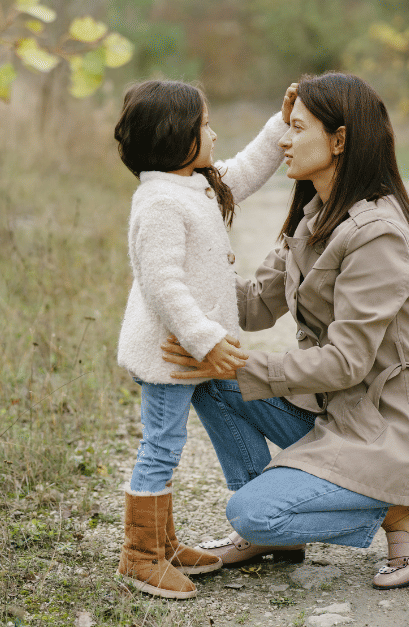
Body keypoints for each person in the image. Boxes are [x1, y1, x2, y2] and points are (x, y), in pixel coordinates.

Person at [161, 72, 409, 590]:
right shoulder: (315, 215)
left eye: (297, 129)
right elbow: (254, 307)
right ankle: (276, 529)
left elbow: (346, 362)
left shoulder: (376, 236)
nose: (284, 140)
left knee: (249, 510)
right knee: (207, 377)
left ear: (339, 140)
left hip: (383, 428)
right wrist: (188, 260)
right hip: (332, 411)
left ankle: (401, 511)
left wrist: (241, 363)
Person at [112, 79, 297, 599]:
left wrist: (280, 123)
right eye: (205, 125)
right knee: (162, 446)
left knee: (172, 441)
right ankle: (140, 555)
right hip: (170, 354)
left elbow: (247, 170)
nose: (214, 134)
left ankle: (165, 544)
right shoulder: (160, 203)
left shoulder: (192, 186)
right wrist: (203, 339)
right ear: (178, 138)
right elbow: (162, 281)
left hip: (190, 354)